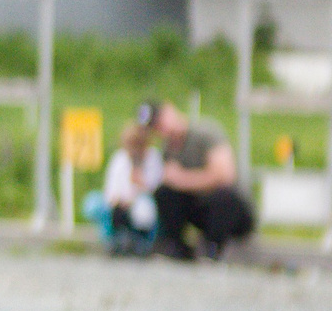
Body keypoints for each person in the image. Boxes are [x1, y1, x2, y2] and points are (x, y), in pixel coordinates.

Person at [147, 99, 256, 261]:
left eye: (160, 121)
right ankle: (175, 246)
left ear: (170, 111)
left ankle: (213, 247)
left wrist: (182, 179)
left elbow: (225, 175)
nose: (160, 128)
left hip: (233, 212)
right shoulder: (168, 149)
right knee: (165, 193)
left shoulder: (205, 133)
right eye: (154, 126)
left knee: (223, 196)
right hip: (203, 209)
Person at [88, 111, 163, 255]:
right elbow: (112, 187)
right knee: (108, 208)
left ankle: (143, 241)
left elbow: (155, 187)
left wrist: (140, 184)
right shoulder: (120, 159)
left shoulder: (153, 158)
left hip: (141, 203)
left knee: (143, 210)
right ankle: (115, 240)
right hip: (120, 204)